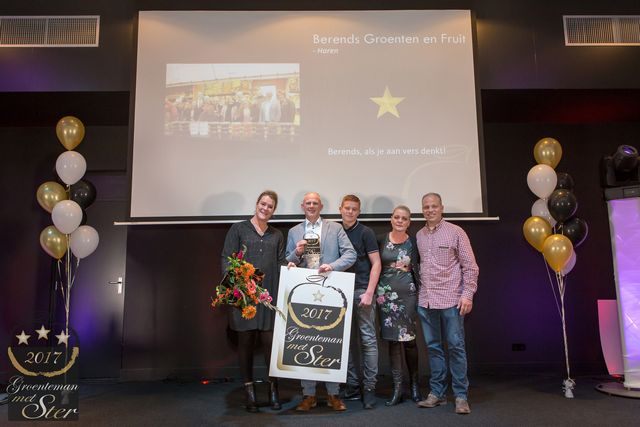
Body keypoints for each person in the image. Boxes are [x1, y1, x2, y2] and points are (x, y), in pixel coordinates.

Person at [286, 192, 357, 412]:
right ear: (302, 206)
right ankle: (308, 395)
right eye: (308, 203)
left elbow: (351, 254)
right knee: (306, 340)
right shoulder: (294, 231)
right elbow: (288, 261)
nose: (311, 206)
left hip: (331, 290)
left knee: (331, 340)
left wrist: (332, 266)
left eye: (315, 203)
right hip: (304, 291)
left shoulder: (335, 228)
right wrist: (296, 254)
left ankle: (333, 394)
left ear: (321, 206)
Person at [220, 190, 286, 413]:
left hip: (268, 297)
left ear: (274, 211)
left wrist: (291, 264)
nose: (265, 208)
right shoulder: (238, 229)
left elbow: (280, 263)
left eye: (270, 206)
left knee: (270, 346)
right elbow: (227, 258)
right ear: (256, 204)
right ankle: (250, 393)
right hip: (244, 297)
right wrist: (236, 289)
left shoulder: (277, 234)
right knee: (245, 344)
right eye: (263, 204)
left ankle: (273, 389)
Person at [416, 193, 479, 415]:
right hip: (426, 301)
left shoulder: (455, 232)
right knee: (434, 348)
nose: (430, 210)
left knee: (455, 347)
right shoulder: (419, 235)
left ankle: (461, 396)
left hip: (452, 300)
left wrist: (467, 295)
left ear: (441, 208)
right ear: (422, 210)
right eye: (426, 207)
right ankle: (437, 393)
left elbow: (470, 267)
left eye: (434, 206)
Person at [376, 205, 422, 406]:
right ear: (391, 219)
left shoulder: (414, 243)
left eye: (404, 218)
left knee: (409, 341)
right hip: (385, 297)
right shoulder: (380, 239)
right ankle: (397, 389)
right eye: (397, 217)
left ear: (409, 222)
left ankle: (414, 386)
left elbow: (419, 267)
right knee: (393, 341)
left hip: (408, 296)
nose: (400, 221)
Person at [339, 195, 382, 409]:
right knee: (342, 342)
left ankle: (370, 388)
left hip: (362, 290)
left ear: (359, 211)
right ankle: (352, 385)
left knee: (368, 340)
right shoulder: (334, 231)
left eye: (354, 209)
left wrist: (369, 292)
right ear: (340, 209)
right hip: (340, 291)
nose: (350, 212)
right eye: (347, 208)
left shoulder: (366, 232)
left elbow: (376, 263)